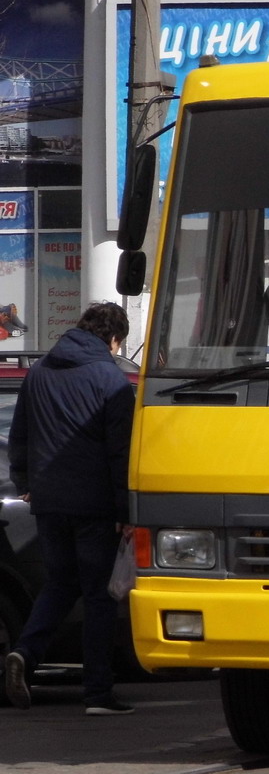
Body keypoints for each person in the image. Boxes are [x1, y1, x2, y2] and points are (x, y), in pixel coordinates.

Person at [3, 302, 136, 716]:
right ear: (113, 338)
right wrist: (125, 508)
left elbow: (19, 432)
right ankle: (98, 693)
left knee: (59, 584)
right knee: (98, 595)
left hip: (47, 502)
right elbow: (121, 452)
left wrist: (26, 484)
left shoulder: (39, 371)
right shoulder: (109, 378)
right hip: (94, 505)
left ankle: (25, 652)